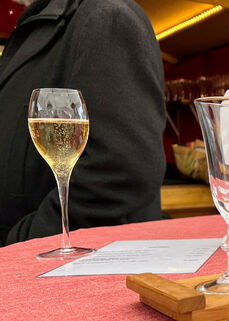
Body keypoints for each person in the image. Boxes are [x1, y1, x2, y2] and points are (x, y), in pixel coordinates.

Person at [0, 0, 166, 245]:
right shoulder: (37, 27)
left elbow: (120, 170)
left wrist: (25, 240)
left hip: (71, 269)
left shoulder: (108, 17)